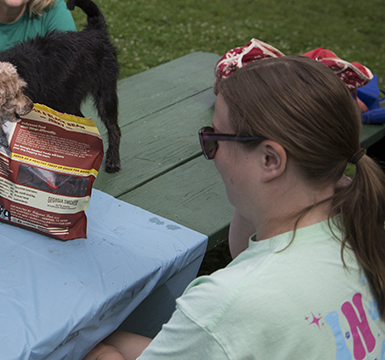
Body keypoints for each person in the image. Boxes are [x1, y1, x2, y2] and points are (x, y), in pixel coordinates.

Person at [85, 55, 385, 360]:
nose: (211, 154)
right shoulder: (356, 227)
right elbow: (242, 258)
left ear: (270, 160)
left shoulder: (228, 303)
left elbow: (220, 322)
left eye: (215, 137)